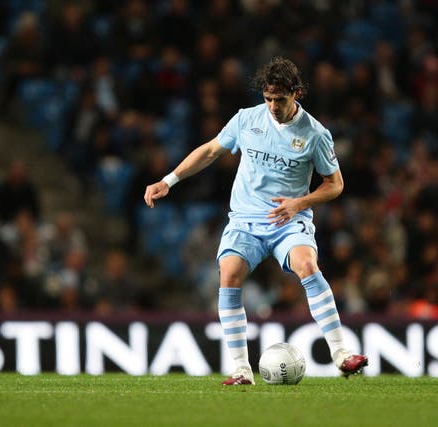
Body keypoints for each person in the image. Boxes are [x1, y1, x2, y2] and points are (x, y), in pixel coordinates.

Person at [144, 57, 368, 385]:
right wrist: (169, 180)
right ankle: (240, 368)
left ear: (297, 94)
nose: (273, 106)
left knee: (307, 265)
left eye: (280, 99)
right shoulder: (246, 120)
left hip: (289, 219)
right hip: (246, 219)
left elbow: (335, 184)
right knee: (229, 275)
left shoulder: (316, 134)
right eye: (268, 99)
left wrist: (300, 203)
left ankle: (340, 353)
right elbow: (209, 151)